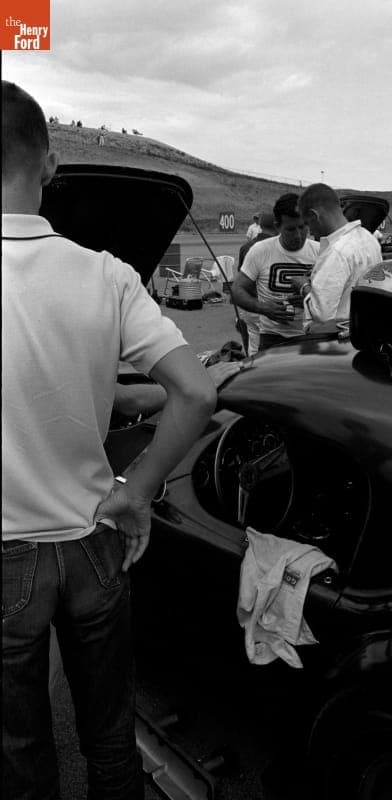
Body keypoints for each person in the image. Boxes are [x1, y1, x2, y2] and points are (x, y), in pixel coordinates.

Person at [2, 81, 217, 800]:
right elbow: (196, 391)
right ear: (50, 164)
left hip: (5, 556)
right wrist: (139, 488)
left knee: (21, 749)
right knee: (109, 738)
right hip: (97, 537)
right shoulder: (108, 274)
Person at [289, 183, 381, 335]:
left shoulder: (337, 251)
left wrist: (303, 286)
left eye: (307, 223)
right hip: (360, 331)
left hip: (333, 342)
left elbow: (322, 315)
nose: (310, 231)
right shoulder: (369, 238)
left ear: (314, 215)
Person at [232, 193, 319, 351]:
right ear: (277, 226)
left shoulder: (320, 252)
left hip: (311, 335)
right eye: (291, 229)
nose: (298, 235)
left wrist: (309, 297)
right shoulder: (260, 251)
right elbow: (237, 290)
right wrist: (263, 307)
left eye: (302, 227)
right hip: (272, 337)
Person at [236, 211, 277, 356]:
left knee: (253, 347)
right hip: (268, 307)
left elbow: (241, 277)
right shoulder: (276, 248)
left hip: (248, 304)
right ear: (278, 225)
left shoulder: (246, 247)